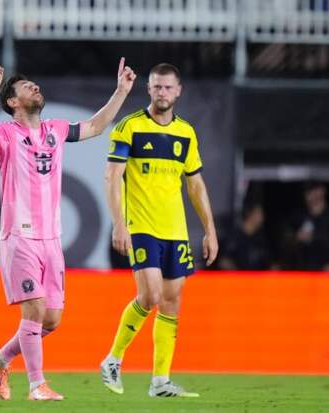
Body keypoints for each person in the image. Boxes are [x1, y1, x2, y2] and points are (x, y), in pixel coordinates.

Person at [0, 55, 136, 401]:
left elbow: (95, 126)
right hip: (20, 236)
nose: (35, 86)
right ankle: (37, 385)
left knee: (51, 320)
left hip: (52, 238)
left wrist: (121, 92)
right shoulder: (6, 135)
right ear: (13, 102)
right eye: (26, 86)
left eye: (34, 84)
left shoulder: (56, 130)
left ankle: (0, 359)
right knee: (34, 310)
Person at [100, 63, 218, 398]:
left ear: (178, 91)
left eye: (167, 87)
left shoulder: (186, 133)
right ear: (148, 89)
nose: (162, 92)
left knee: (171, 302)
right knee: (150, 295)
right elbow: (112, 177)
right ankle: (113, 359)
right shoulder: (130, 127)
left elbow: (195, 185)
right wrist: (119, 223)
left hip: (175, 230)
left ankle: (160, 381)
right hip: (142, 226)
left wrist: (210, 230)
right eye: (156, 87)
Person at [217, 203, 271, 271]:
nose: (262, 217)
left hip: (257, 276)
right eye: (259, 213)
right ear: (250, 213)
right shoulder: (235, 236)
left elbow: (265, 261)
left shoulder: (260, 239)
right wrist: (239, 274)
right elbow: (223, 261)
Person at [288, 182, 329, 271]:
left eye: (314, 190)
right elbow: (288, 239)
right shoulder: (300, 215)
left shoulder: (326, 216)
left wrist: (313, 237)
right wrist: (295, 237)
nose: (311, 195)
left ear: (322, 190)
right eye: (307, 191)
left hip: (325, 270)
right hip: (304, 270)